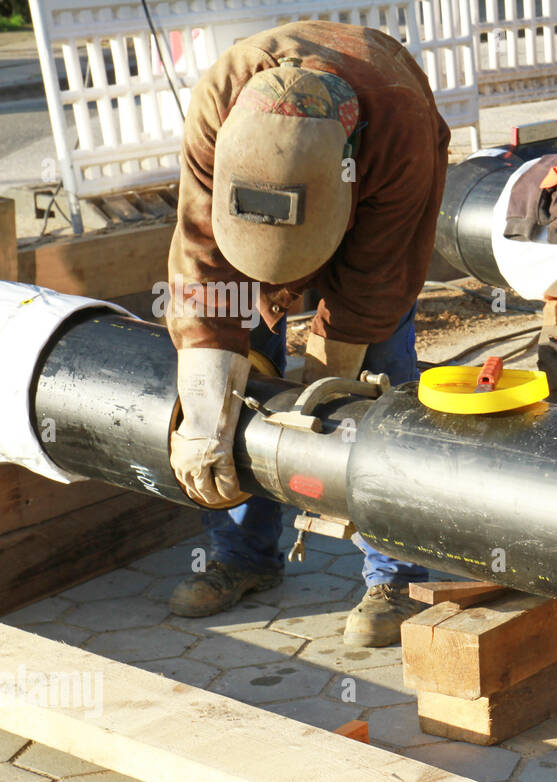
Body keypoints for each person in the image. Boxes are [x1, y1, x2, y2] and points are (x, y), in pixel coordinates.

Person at [162, 20, 450, 647]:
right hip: (247, 244)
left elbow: (368, 294)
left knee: (378, 385)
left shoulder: (400, 133)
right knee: (237, 363)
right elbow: (203, 265)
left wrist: (324, 419)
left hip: (375, 207)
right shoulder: (220, 101)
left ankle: (395, 575)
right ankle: (244, 555)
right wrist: (205, 412)